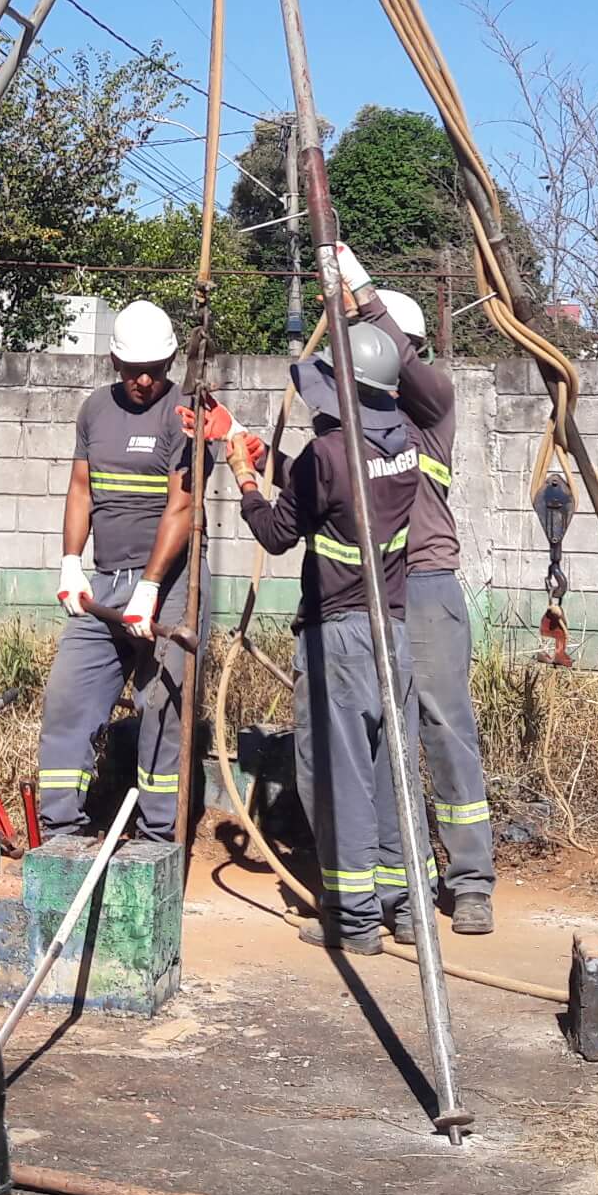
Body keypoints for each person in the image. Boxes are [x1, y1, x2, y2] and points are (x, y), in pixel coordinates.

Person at [228, 318, 423, 955]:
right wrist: (274, 461)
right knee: (390, 772)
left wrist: (246, 481)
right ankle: (407, 909)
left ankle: (355, 920)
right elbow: (338, 488)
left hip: (337, 636)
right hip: (391, 630)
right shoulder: (404, 442)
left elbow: (281, 534)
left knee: (337, 777)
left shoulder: (327, 455)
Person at [340, 246, 495, 935]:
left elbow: (405, 366)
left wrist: (359, 285)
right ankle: (394, 889)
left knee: (444, 729)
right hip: (371, 591)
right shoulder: (355, 421)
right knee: (380, 742)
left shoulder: (432, 409)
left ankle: (471, 882)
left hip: (427, 585)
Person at [35, 298, 206, 843]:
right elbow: (81, 489)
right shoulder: (94, 411)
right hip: (103, 584)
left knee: (163, 712)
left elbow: (182, 508)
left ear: (173, 360)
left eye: (155, 370)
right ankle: (61, 829)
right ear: (114, 362)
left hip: (170, 587)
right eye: (133, 370)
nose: (144, 381)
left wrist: (151, 587)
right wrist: (70, 563)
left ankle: (158, 839)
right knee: (67, 700)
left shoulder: (186, 413)